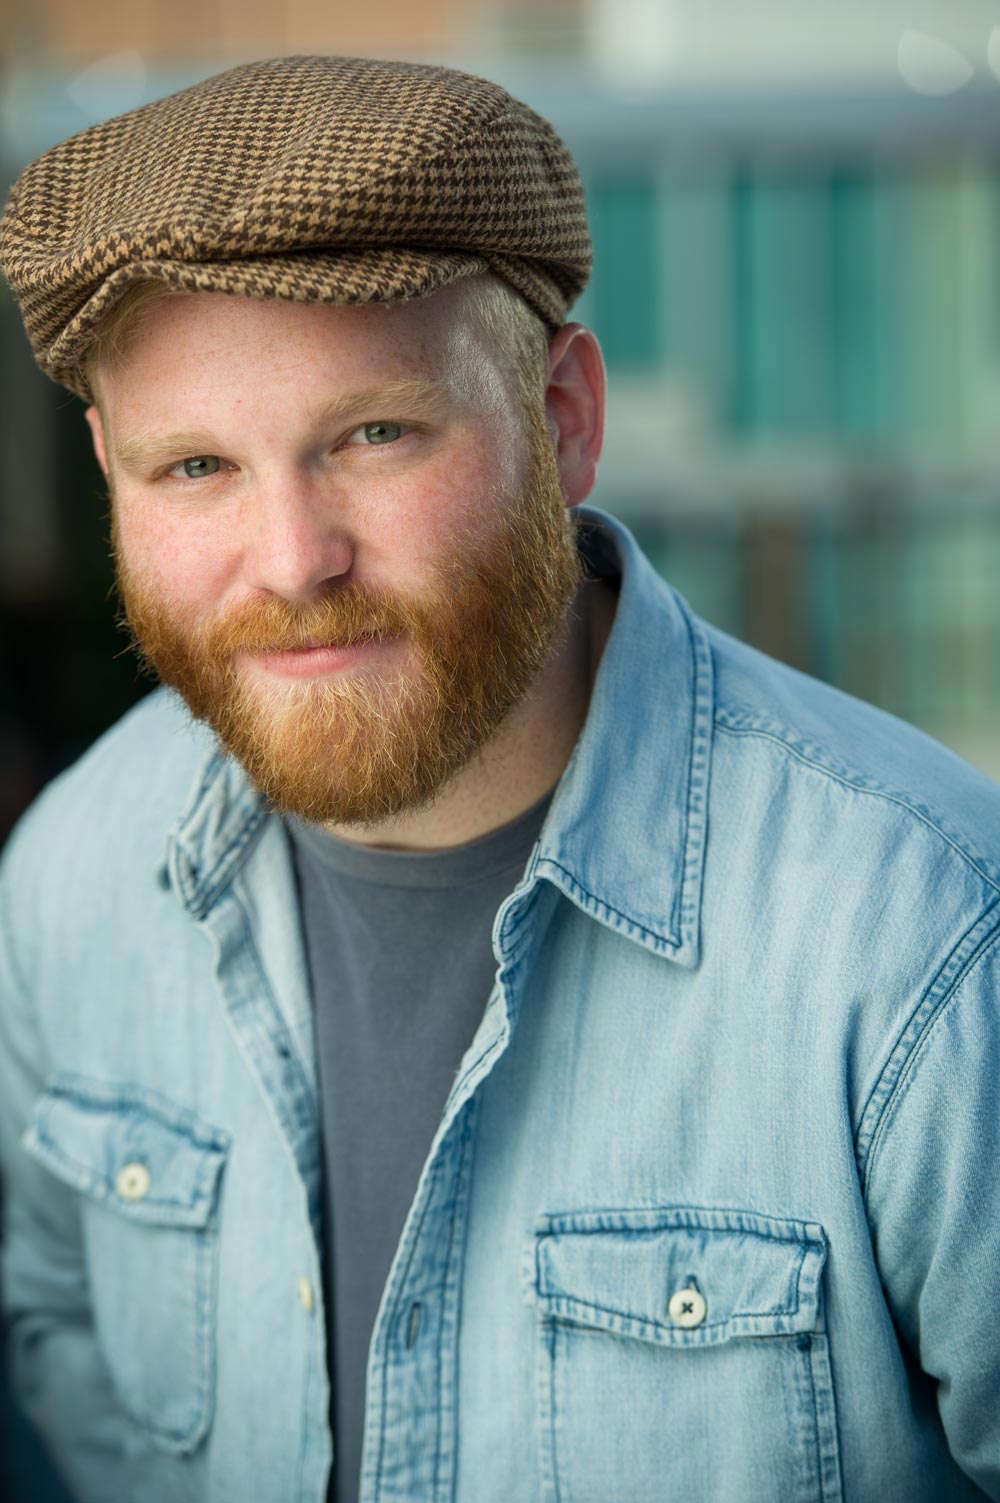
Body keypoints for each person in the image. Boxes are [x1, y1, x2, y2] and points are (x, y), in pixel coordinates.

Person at [0, 52, 998, 1503]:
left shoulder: (924, 947)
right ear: (109, 470)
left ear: (565, 416)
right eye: (196, 468)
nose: (293, 563)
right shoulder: (68, 881)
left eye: (376, 434)